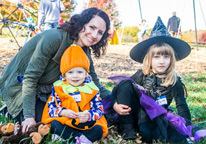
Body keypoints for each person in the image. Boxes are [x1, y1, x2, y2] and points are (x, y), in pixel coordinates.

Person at [0, 7, 111, 133]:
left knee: (79, 115)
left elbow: (95, 84)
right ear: (82, 23)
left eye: (100, 32)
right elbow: (30, 78)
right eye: (92, 27)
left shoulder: (84, 51)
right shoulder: (54, 38)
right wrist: (29, 116)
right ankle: (11, 111)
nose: (95, 35)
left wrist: (115, 100)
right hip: (20, 87)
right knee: (49, 122)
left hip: (49, 91)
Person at [111, 17, 193, 143]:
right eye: (156, 57)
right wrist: (115, 104)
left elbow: (182, 106)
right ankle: (127, 127)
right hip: (135, 110)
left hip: (155, 115)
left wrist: (187, 129)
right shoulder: (141, 75)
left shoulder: (175, 82)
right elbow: (121, 90)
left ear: (172, 59)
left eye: (166, 57)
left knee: (151, 135)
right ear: (149, 59)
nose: (161, 61)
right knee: (125, 83)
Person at [41, 44, 108, 143]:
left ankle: (71, 139)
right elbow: (51, 108)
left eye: (80, 72)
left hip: (85, 125)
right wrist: (63, 112)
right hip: (66, 123)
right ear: (64, 75)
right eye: (70, 72)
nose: (75, 76)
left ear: (86, 74)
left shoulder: (92, 89)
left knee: (98, 129)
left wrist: (89, 115)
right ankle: (80, 139)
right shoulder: (59, 88)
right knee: (55, 124)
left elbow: (99, 109)